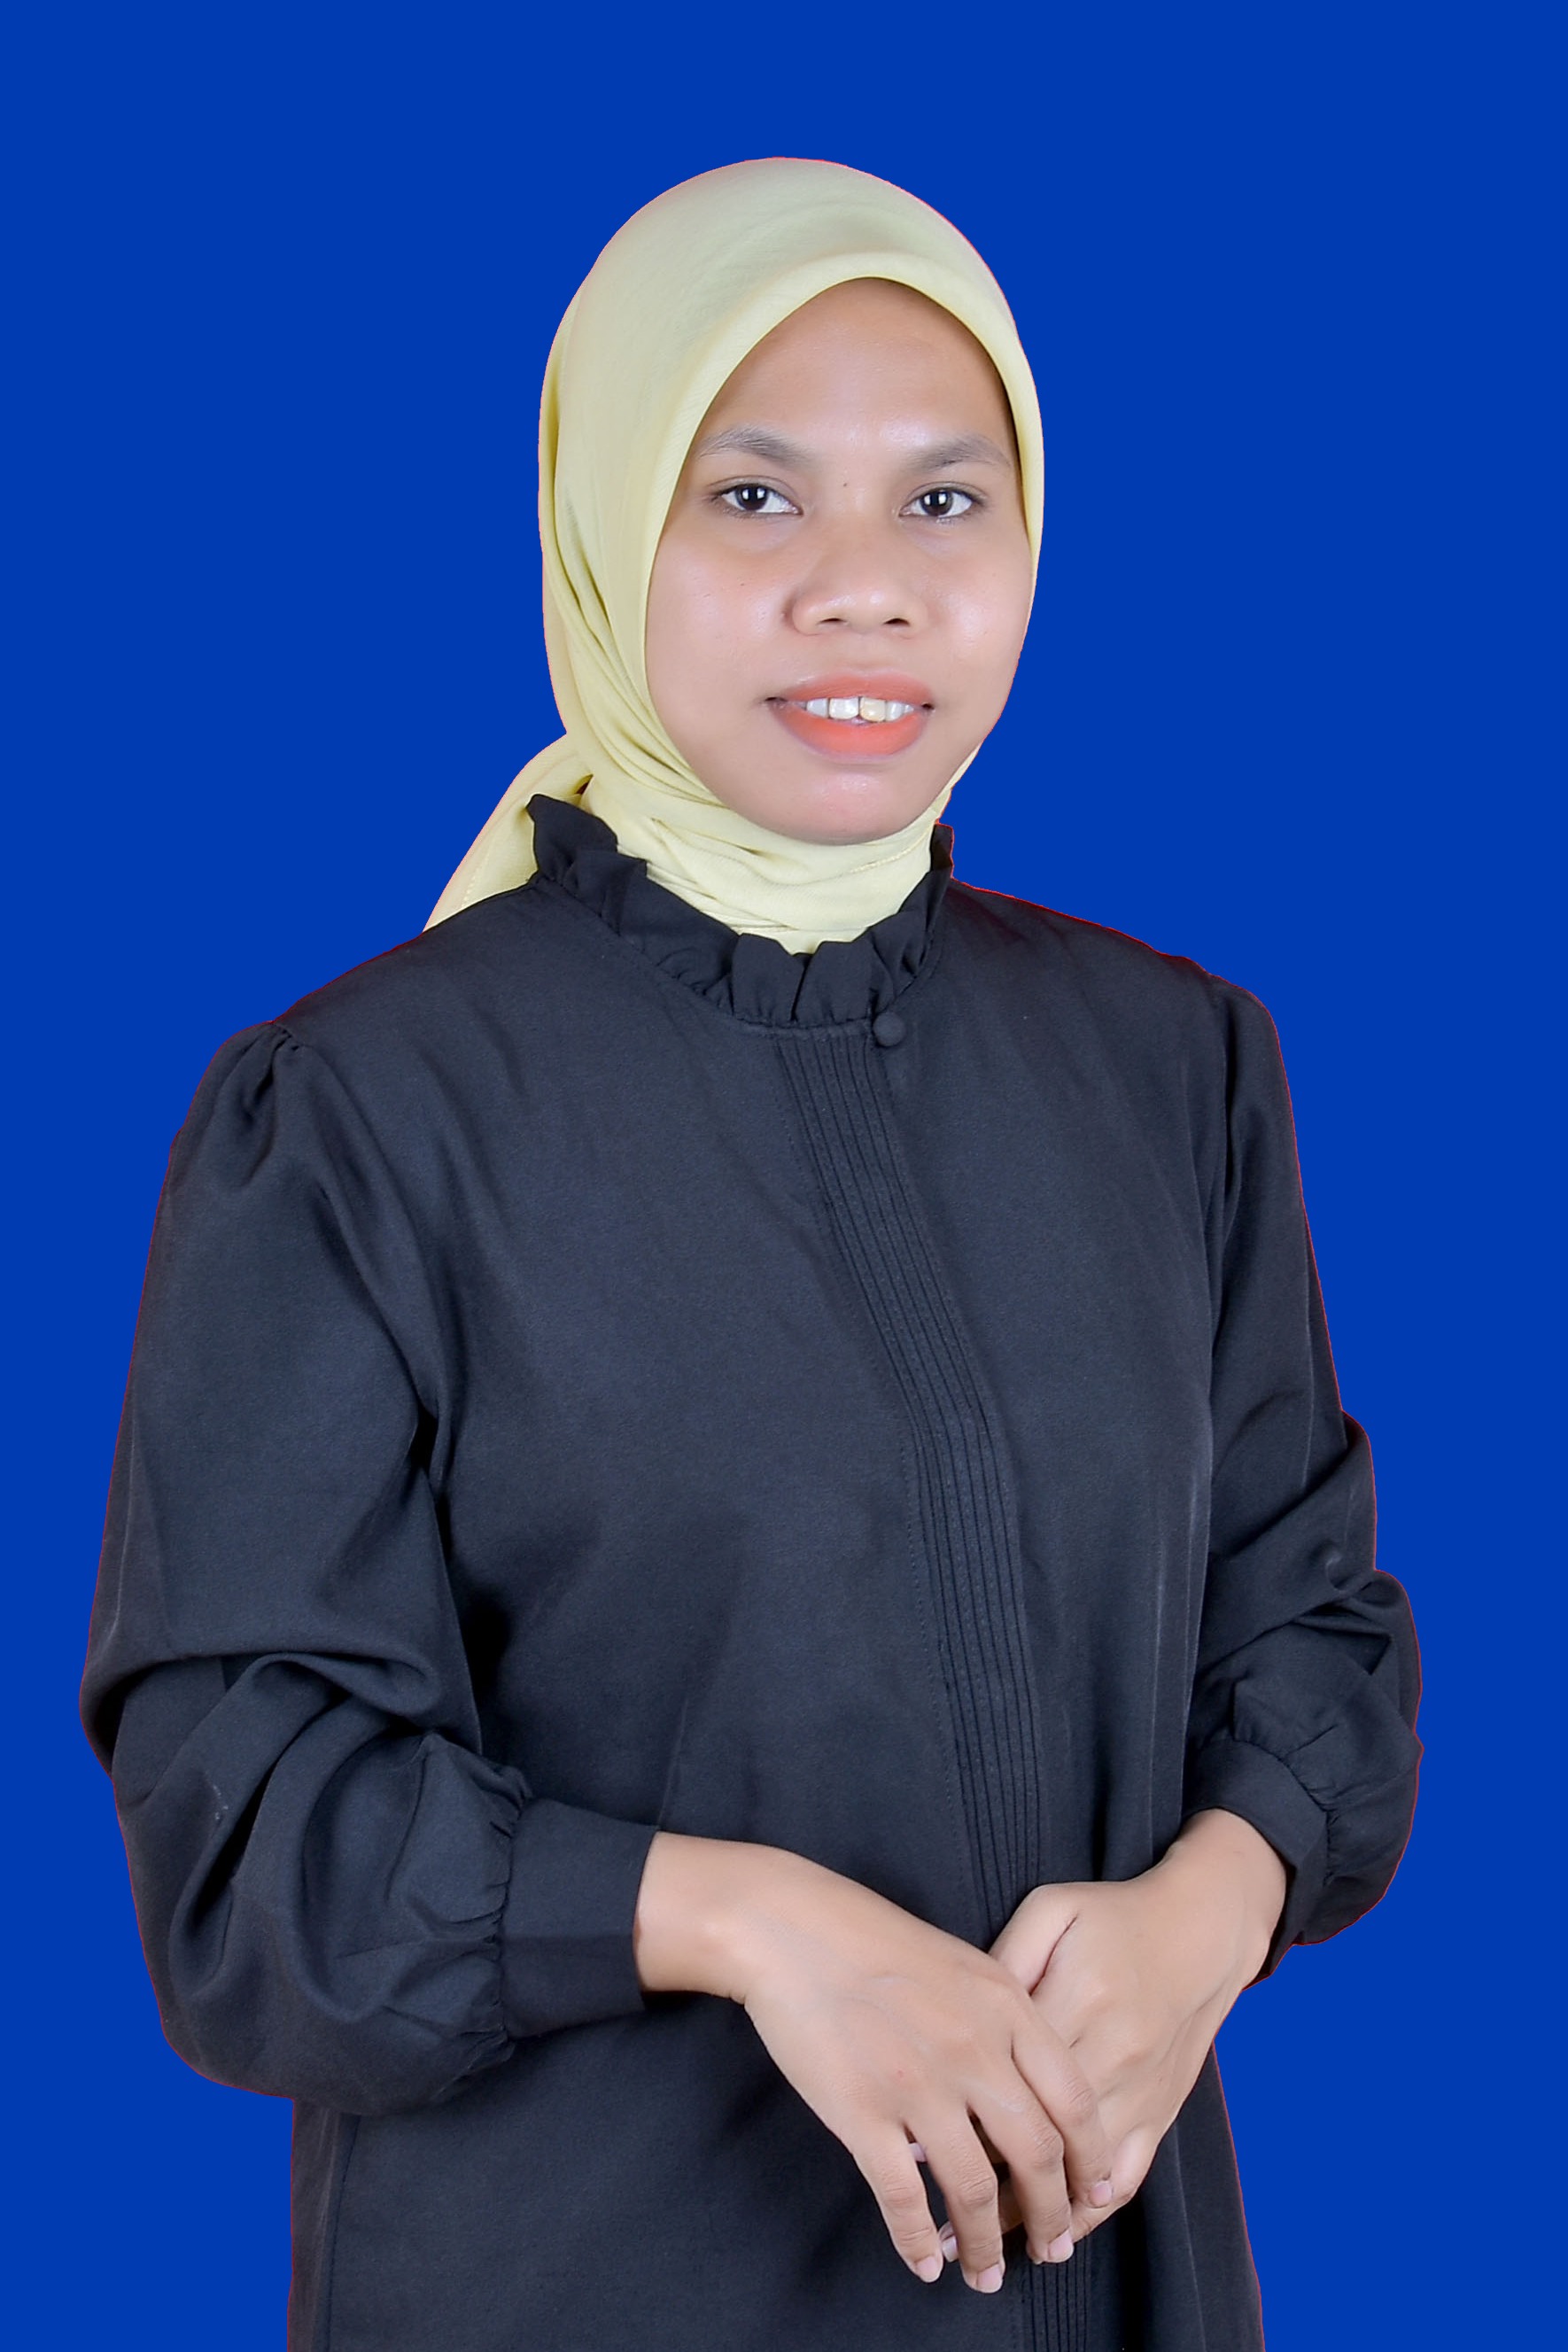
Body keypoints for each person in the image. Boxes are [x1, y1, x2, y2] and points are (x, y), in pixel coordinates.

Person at [82, 159, 1421, 2352]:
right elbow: (248, 1839)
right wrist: (752, 1921)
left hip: (1108, 2286)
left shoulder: (1173, 1061)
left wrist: (1216, 1897)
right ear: (611, 529)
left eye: (944, 501)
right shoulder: (357, 1112)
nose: (863, 590)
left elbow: (1311, 1623)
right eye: (755, 497)